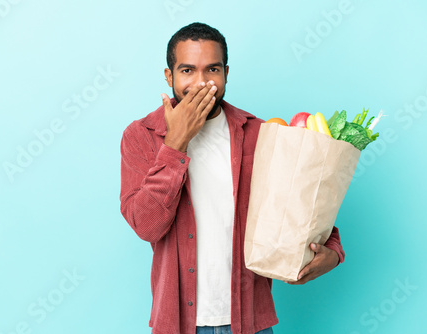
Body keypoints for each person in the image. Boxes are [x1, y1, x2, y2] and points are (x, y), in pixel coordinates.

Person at [120, 22, 345, 334]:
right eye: (187, 71)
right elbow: (146, 225)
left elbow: (301, 203)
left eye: (212, 69)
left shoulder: (258, 133)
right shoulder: (142, 136)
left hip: (250, 320)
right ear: (169, 76)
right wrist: (176, 144)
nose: (201, 83)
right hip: (179, 323)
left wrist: (333, 252)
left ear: (225, 72)